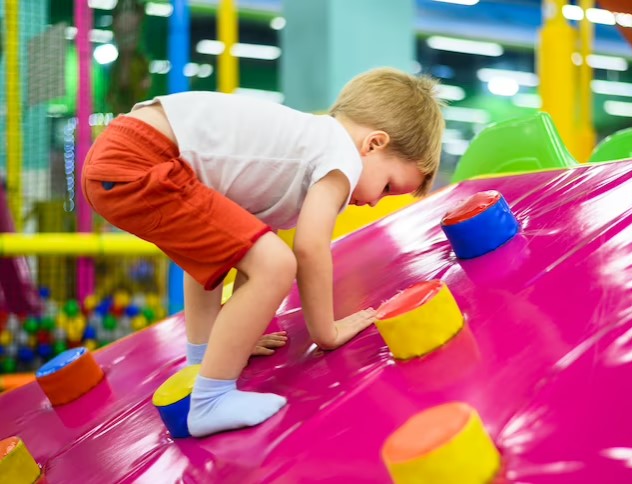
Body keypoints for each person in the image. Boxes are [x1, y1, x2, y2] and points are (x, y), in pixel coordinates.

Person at [81, 67, 445, 437]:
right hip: (141, 158)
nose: (373, 203)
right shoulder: (340, 156)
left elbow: (213, 261)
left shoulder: (288, 153)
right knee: (276, 263)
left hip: (121, 154)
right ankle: (211, 400)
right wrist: (327, 332)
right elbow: (310, 248)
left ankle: (203, 364)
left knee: (244, 253)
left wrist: (224, 346)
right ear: (373, 144)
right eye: (386, 186)